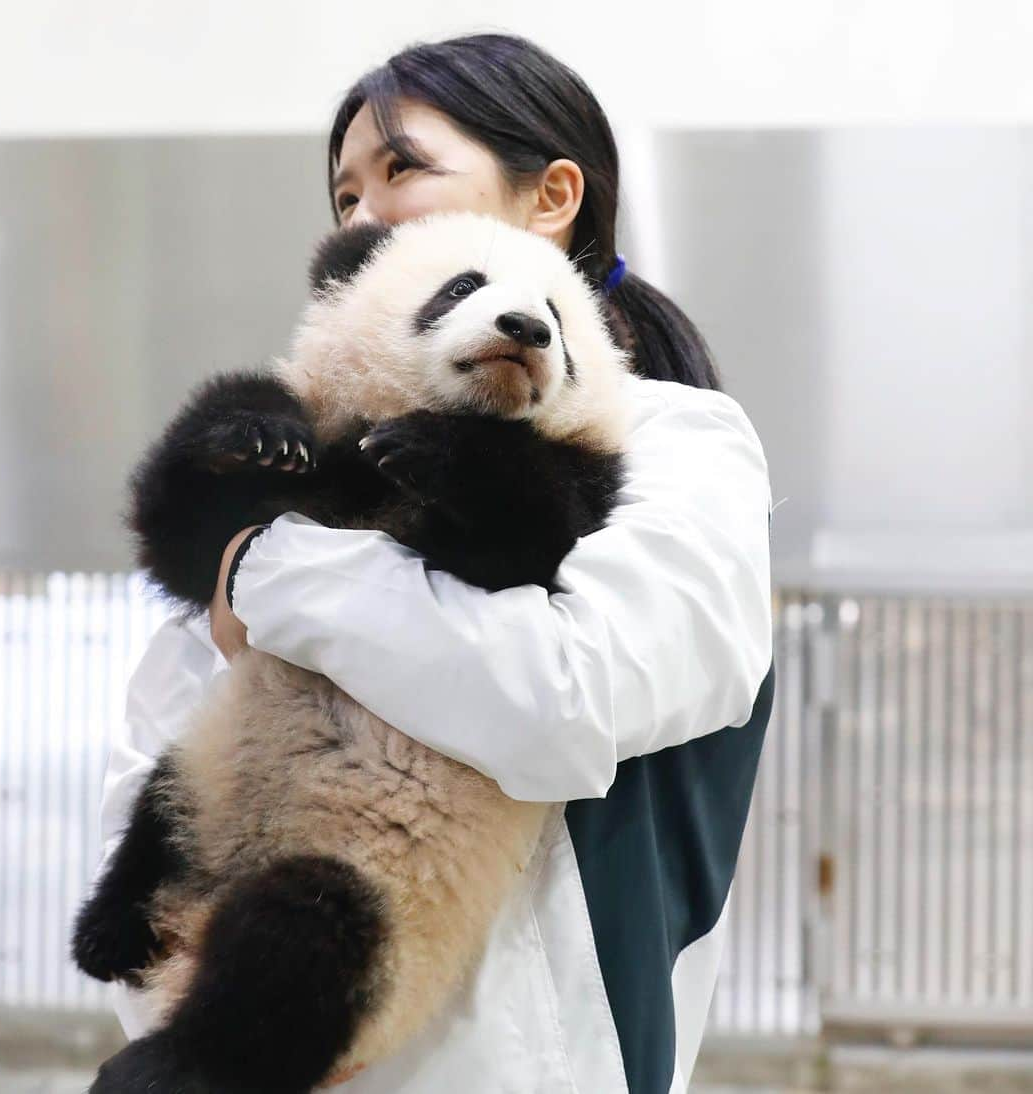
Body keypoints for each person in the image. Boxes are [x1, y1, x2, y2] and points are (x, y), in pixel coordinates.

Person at [96, 33, 775, 1094]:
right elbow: (169, 751)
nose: (364, 212)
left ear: (552, 195)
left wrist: (265, 567)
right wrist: (202, 1020)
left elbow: (558, 699)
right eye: (345, 193)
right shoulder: (309, 441)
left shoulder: (676, 447)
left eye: (402, 168)